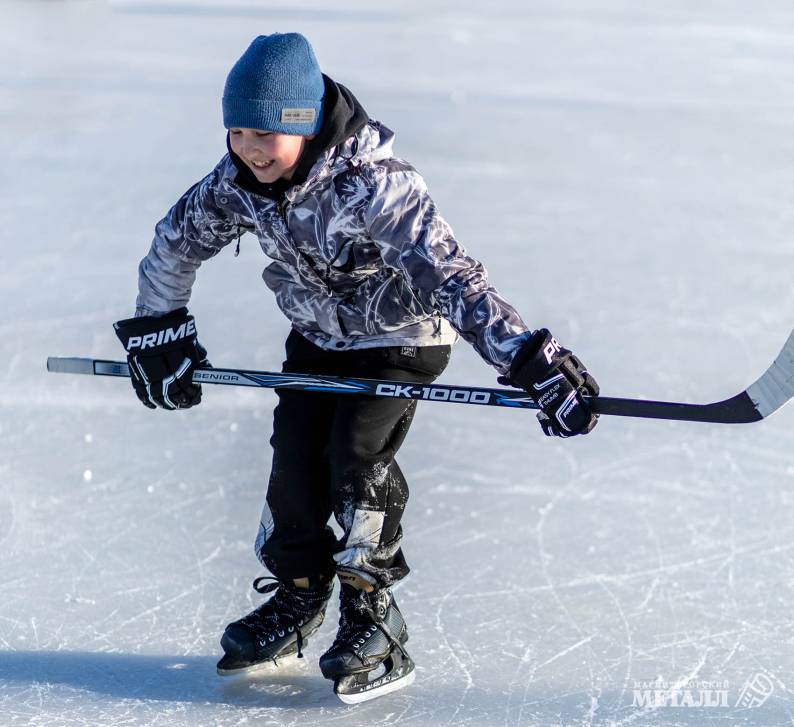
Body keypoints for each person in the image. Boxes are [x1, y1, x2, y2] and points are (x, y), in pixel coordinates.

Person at [112, 32, 599, 703]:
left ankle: (373, 614)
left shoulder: (376, 186)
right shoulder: (237, 184)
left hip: (401, 340)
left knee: (356, 457)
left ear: (305, 124)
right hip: (318, 337)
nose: (251, 149)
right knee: (295, 460)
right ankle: (299, 592)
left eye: (265, 134)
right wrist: (158, 328)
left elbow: (451, 276)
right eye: (237, 131)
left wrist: (525, 356)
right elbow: (175, 242)